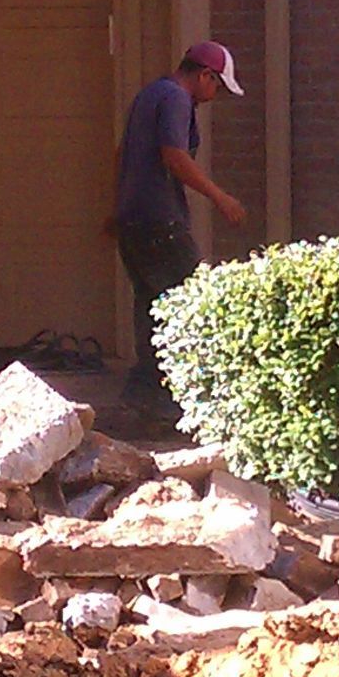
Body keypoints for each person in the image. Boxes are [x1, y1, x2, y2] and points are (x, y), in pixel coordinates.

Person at [112, 40, 249, 412]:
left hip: (133, 222)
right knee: (190, 305)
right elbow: (173, 155)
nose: (214, 95)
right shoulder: (175, 99)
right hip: (160, 221)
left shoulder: (149, 94)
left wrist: (119, 206)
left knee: (151, 308)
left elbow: (122, 155)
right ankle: (182, 405)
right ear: (205, 75)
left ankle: (145, 401)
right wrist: (221, 198)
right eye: (216, 86)